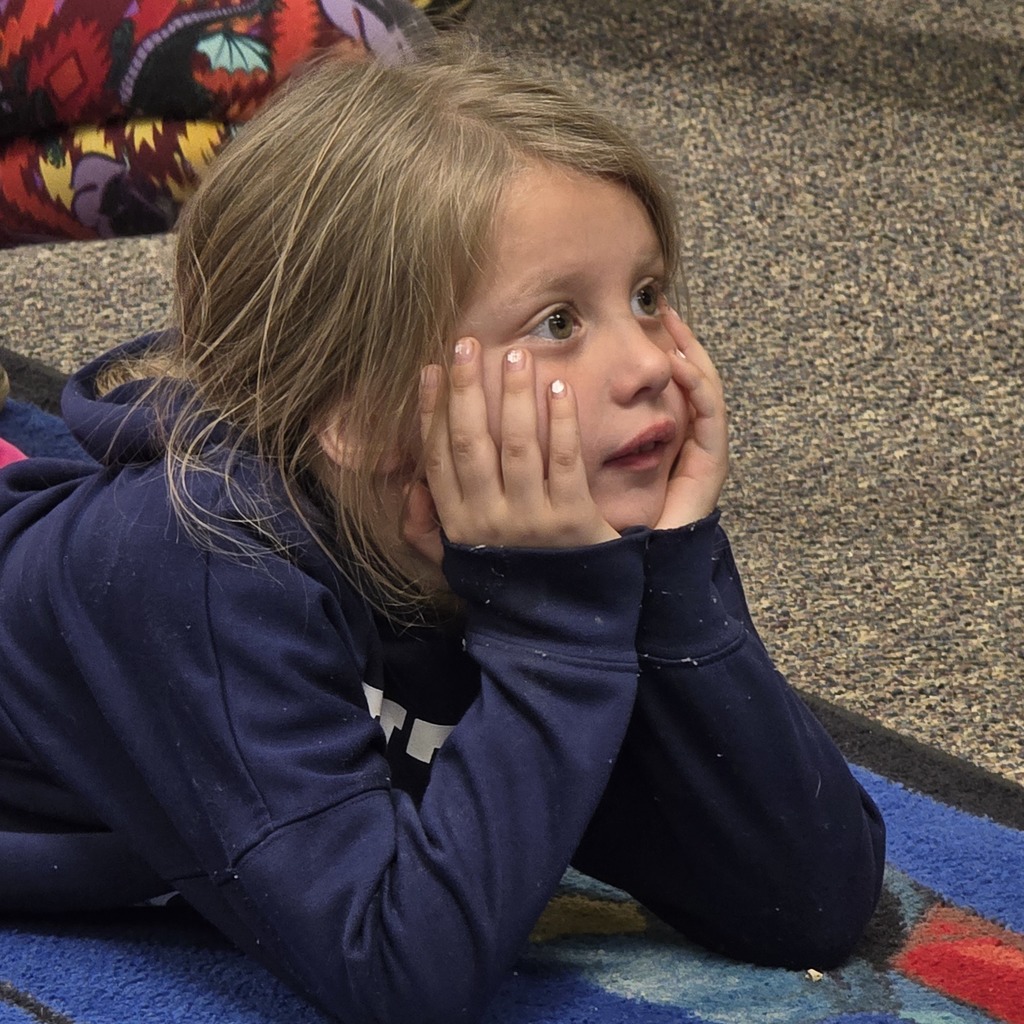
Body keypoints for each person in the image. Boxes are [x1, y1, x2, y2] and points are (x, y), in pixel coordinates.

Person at [0, 42, 886, 1024]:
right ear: (362, 407)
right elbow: (393, 976)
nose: (648, 362)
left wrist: (675, 575)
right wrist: (553, 638)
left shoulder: (537, 539)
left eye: (645, 295)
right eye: (558, 320)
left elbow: (810, 902)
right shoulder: (198, 562)